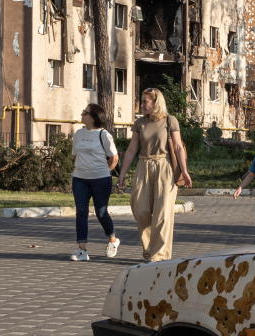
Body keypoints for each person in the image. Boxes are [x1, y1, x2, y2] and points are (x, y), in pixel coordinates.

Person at [117, 87, 193, 262]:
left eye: (145, 101)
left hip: (164, 167)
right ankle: (149, 248)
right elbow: (131, 150)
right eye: (141, 101)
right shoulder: (140, 123)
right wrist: (122, 174)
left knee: (163, 214)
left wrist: (185, 171)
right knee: (141, 210)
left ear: (156, 103)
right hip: (143, 166)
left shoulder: (170, 121)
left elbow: (178, 147)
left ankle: (159, 255)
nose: (142, 104)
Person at [69, 104, 121, 262]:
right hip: (79, 179)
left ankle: (112, 239)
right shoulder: (78, 134)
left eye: (84, 112)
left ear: (92, 117)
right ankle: (82, 249)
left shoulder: (104, 135)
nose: (81, 114)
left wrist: (105, 171)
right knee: (81, 212)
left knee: (101, 212)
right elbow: (75, 155)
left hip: (101, 179)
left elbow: (114, 158)